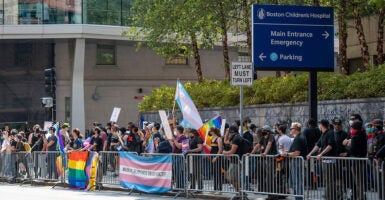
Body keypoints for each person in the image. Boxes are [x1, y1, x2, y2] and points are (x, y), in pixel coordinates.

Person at [307, 119, 337, 200]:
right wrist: (310, 153)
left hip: (330, 160)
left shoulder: (330, 133)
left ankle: (331, 196)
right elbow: (318, 145)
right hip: (324, 160)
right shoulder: (323, 134)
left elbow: (330, 146)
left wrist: (321, 154)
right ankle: (328, 195)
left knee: (330, 179)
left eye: (320, 124)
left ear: (321, 125)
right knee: (326, 179)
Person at [281, 122, 307, 200]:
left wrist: (286, 154)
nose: (290, 130)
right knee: (296, 181)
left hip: (297, 162)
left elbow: (296, 153)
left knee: (297, 182)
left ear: (295, 129)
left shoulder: (298, 138)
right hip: (297, 162)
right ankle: (298, 198)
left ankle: (299, 198)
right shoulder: (301, 137)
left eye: (291, 128)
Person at [343, 121, 367, 200]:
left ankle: (360, 197)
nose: (350, 129)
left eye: (351, 128)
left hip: (356, 161)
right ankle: (361, 196)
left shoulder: (355, 137)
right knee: (360, 180)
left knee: (358, 181)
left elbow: (351, 149)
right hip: (361, 160)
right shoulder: (362, 134)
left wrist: (347, 146)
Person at [223, 125, 243, 196]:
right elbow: (225, 141)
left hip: (236, 162)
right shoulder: (234, 137)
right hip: (233, 161)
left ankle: (239, 193)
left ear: (232, 131)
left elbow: (232, 151)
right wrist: (226, 133)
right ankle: (239, 192)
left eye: (229, 131)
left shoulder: (236, 138)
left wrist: (225, 153)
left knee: (232, 179)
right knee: (232, 178)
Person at [204, 127, 224, 193]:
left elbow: (220, 149)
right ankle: (215, 188)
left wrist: (216, 157)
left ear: (213, 131)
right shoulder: (212, 139)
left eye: (210, 131)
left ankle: (220, 189)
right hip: (213, 158)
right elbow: (212, 149)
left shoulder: (219, 138)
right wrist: (206, 145)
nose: (209, 132)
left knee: (218, 173)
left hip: (217, 158)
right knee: (214, 173)